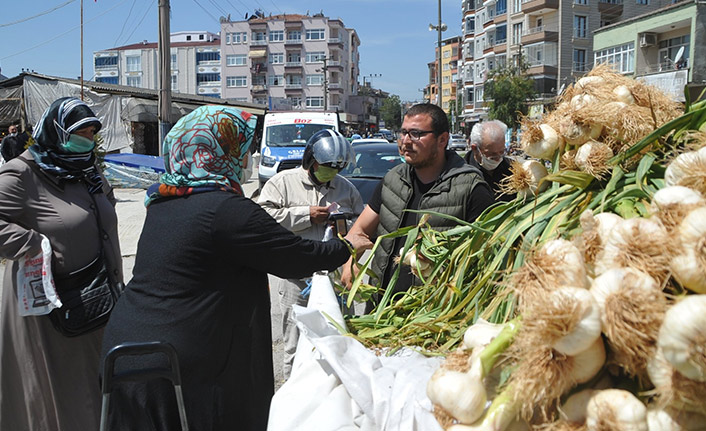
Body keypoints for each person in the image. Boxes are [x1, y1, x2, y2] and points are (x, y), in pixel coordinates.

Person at [100, 106, 372, 431]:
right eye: (238, 149)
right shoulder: (225, 210)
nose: (245, 160)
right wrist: (344, 248)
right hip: (182, 361)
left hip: (132, 349)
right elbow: (293, 255)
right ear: (217, 152)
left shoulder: (163, 201)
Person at [0, 97, 123, 430]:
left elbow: (105, 211)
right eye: (77, 132)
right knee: (65, 393)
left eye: (90, 133)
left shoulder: (88, 170)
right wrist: (30, 244)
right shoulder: (23, 173)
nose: (85, 139)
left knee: (98, 388)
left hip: (99, 296)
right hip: (53, 309)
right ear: (55, 131)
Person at [341, 103, 494, 311]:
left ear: (442, 140)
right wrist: (351, 262)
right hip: (380, 308)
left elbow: (488, 257)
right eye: (403, 132)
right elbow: (360, 230)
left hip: (432, 315)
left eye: (416, 134)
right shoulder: (392, 179)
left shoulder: (471, 187)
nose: (405, 141)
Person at [258, 129, 364, 380]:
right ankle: (291, 397)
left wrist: (352, 260)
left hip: (334, 278)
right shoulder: (282, 183)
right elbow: (262, 219)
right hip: (296, 277)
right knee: (295, 342)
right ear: (310, 161)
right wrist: (306, 215)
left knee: (338, 337)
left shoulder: (345, 189)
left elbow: (360, 225)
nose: (331, 172)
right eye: (326, 166)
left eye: (336, 168)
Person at [463, 120, 516, 202]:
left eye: (501, 152)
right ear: (475, 149)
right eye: (492, 154)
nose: (498, 159)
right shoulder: (462, 175)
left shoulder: (512, 170)